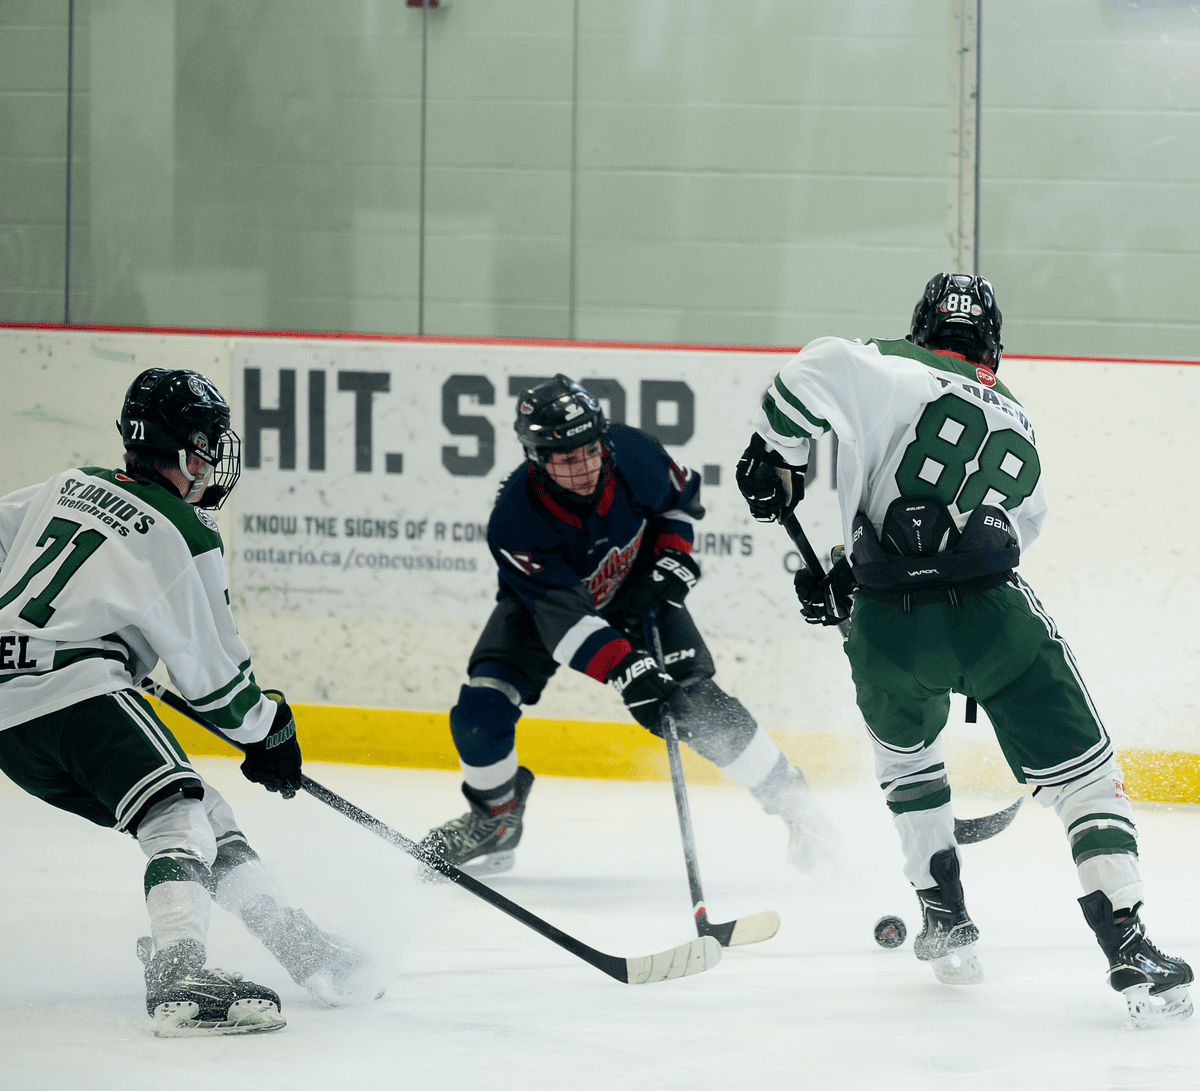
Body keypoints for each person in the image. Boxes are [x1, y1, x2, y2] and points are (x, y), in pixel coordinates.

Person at [735, 272, 1192, 1028]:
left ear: (921, 329)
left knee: (907, 760)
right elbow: (1010, 532)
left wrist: (775, 456)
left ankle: (943, 914)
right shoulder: (1017, 418)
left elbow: (805, 373)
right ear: (993, 348)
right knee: (1086, 780)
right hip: (991, 620)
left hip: (886, 627)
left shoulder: (889, 364)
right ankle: (1130, 944)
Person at [0, 368, 373, 1036]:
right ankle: (179, 969)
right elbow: (218, 683)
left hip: (11, 714)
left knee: (204, 811)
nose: (209, 459)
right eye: (205, 444)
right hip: (76, 694)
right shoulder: (183, 530)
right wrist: (269, 733)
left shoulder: (70, 482)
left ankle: (293, 938)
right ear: (185, 449)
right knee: (180, 817)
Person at [419, 374, 835, 876]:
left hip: (641, 591)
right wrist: (629, 671)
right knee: (480, 708)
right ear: (537, 458)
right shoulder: (515, 520)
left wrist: (672, 560)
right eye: (566, 458)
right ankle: (495, 821)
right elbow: (566, 622)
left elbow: (679, 502)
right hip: (543, 609)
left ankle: (797, 805)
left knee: (698, 705)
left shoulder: (633, 452)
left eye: (590, 450)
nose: (585, 467)